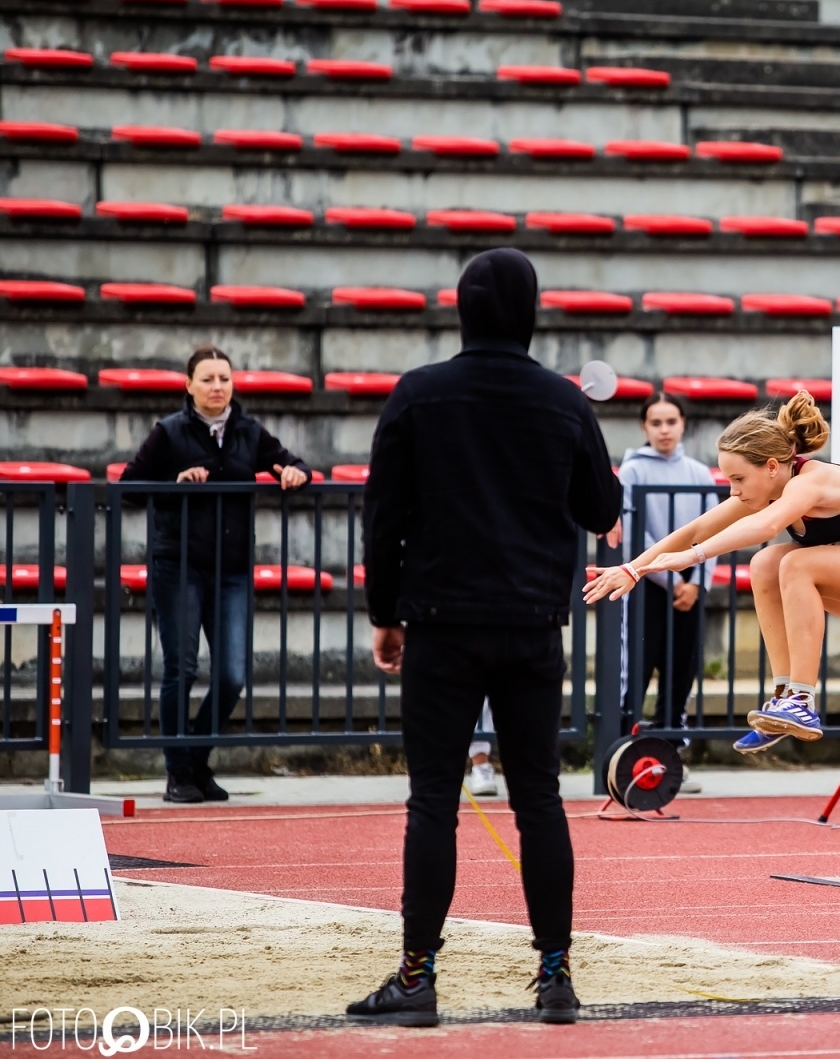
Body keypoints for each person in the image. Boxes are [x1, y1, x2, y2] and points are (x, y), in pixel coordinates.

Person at [349, 248, 621, 1028]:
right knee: (539, 796)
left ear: (461, 308)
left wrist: (385, 613)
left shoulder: (419, 393)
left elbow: (385, 517)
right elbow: (599, 506)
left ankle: (417, 977)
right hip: (533, 623)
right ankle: (556, 975)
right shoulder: (563, 403)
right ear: (531, 311)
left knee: (434, 797)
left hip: (441, 620)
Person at [583, 390, 840, 753]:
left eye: (738, 479)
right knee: (765, 563)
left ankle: (801, 700)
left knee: (795, 562)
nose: (733, 491)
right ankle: (785, 694)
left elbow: (765, 527)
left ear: (772, 466)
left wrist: (693, 558)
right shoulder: (767, 488)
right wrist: (634, 568)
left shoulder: (811, 482)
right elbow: (695, 529)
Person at [121, 345, 310, 804]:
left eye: (224, 378)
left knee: (232, 673)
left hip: (231, 571)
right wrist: (175, 486)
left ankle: (196, 761)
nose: (217, 387)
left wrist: (293, 474)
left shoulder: (248, 430)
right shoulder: (168, 431)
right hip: (179, 565)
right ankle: (178, 773)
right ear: (188, 385)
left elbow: (295, 462)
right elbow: (128, 487)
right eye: (207, 379)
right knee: (181, 669)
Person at [609, 391, 719, 733]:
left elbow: (715, 529)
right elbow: (632, 534)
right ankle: (625, 745)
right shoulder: (632, 471)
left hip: (690, 581)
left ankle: (671, 746)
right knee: (637, 668)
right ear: (644, 427)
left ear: (683, 424)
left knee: (681, 669)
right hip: (646, 581)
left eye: (671, 421)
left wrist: (697, 582)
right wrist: (670, 581)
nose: (664, 430)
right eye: (655, 423)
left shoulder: (700, 473)